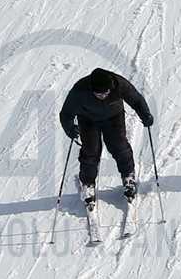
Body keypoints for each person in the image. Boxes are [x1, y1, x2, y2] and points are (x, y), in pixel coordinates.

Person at [59, 68, 153, 202]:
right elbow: (66, 113)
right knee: (91, 150)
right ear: (92, 88)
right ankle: (88, 183)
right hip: (88, 119)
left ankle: (128, 176)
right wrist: (70, 128)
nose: (103, 96)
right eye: (98, 93)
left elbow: (136, 100)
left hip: (113, 116)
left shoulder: (120, 85)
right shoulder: (81, 89)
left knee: (119, 146)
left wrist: (145, 114)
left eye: (106, 92)